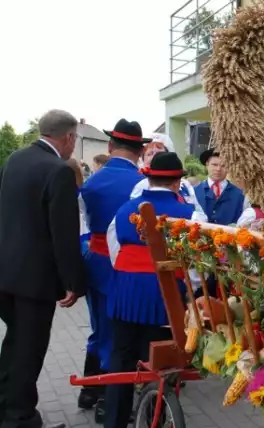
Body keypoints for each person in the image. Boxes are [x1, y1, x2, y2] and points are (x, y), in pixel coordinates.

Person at [0, 109, 85, 428]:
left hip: (6, 273)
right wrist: (74, 283)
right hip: (33, 281)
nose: (72, 146)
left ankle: (6, 406)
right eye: (74, 139)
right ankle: (20, 417)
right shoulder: (58, 171)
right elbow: (63, 234)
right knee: (29, 350)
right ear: (67, 137)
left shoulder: (15, 160)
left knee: (14, 343)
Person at [104, 152, 198, 428]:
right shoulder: (192, 215)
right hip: (164, 300)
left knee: (120, 361)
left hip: (125, 295)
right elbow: (194, 268)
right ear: (178, 182)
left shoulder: (124, 210)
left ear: (148, 177)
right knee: (159, 366)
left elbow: (114, 251)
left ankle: (114, 421)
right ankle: (151, 418)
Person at [77, 119, 149, 418]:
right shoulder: (143, 184)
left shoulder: (90, 182)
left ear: (109, 146)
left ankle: (89, 391)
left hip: (96, 264)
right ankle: (110, 402)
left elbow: (78, 226)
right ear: (141, 150)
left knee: (99, 328)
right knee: (122, 336)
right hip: (129, 268)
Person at [130, 133, 206, 220]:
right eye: (150, 154)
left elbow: (199, 214)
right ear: (143, 160)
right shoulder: (140, 186)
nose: (155, 156)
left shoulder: (185, 185)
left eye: (159, 151)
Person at [194, 150, 245, 225]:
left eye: (223, 166)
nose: (218, 169)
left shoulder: (240, 195)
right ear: (207, 164)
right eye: (214, 165)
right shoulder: (194, 192)